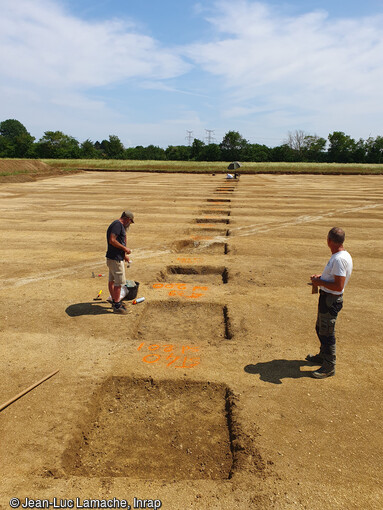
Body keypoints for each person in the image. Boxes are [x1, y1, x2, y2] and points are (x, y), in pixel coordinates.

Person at [308, 227, 353, 378]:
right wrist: (321, 278)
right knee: (320, 328)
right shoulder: (341, 255)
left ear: (329, 241)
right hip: (327, 299)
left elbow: (339, 286)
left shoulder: (339, 259)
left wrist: (320, 282)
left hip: (331, 300)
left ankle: (329, 367)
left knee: (327, 333)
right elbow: (335, 277)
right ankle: (323, 355)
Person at [106, 210, 134, 314]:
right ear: (127, 219)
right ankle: (117, 306)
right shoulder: (117, 225)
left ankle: (114, 301)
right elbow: (112, 240)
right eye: (130, 222)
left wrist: (124, 256)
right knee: (118, 283)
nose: (129, 225)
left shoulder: (116, 225)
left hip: (113, 258)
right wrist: (125, 248)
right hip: (115, 260)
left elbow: (116, 242)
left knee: (112, 280)